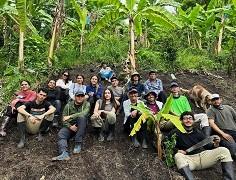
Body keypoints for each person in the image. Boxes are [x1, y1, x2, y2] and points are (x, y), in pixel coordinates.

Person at [168, 111, 234, 180]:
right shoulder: (175, 132)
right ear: (181, 121)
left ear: (193, 121)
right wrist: (177, 150)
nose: (188, 120)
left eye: (190, 118)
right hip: (188, 160)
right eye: (185, 118)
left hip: (202, 158)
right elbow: (165, 144)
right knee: (178, 156)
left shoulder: (198, 133)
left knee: (224, 150)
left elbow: (208, 146)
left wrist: (215, 144)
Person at [52, 91, 90, 161]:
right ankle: (63, 153)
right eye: (78, 96)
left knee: (81, 117)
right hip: (70, 125)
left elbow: (84, 113)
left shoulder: (86, 104)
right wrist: (70, 126)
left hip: (80, 124)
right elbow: (63, 118)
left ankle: (78, 143)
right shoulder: (68, 105)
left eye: (82, 96)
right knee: (61, 134)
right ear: (75, 97)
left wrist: (70, 116)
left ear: (84, 97)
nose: (80, 98)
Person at [207, 94, 236, 161]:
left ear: (220, 99)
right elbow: (211, 123)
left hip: (234, 131)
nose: (215, 101)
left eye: (217, 99)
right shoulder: (210, 110)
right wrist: (223, 134)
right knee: (233, 149)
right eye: (213, 100)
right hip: (223, 133)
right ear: (211, 101)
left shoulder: (228, 107)